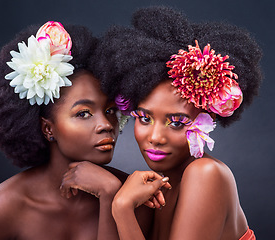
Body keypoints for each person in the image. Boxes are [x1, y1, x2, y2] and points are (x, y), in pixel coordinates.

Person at [90, 6, 262, 240]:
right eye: (144, 118)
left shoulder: (206, 175)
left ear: (206, 120)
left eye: (177, 123)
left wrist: (122, 208)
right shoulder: (156, 186)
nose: (156, 137)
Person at [0, 21, 126, 240]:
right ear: (47, 128)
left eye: (110, 110)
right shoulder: (1, 211)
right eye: (83, 113)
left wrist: (110, 194)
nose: (107, 124)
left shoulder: (131, 198)